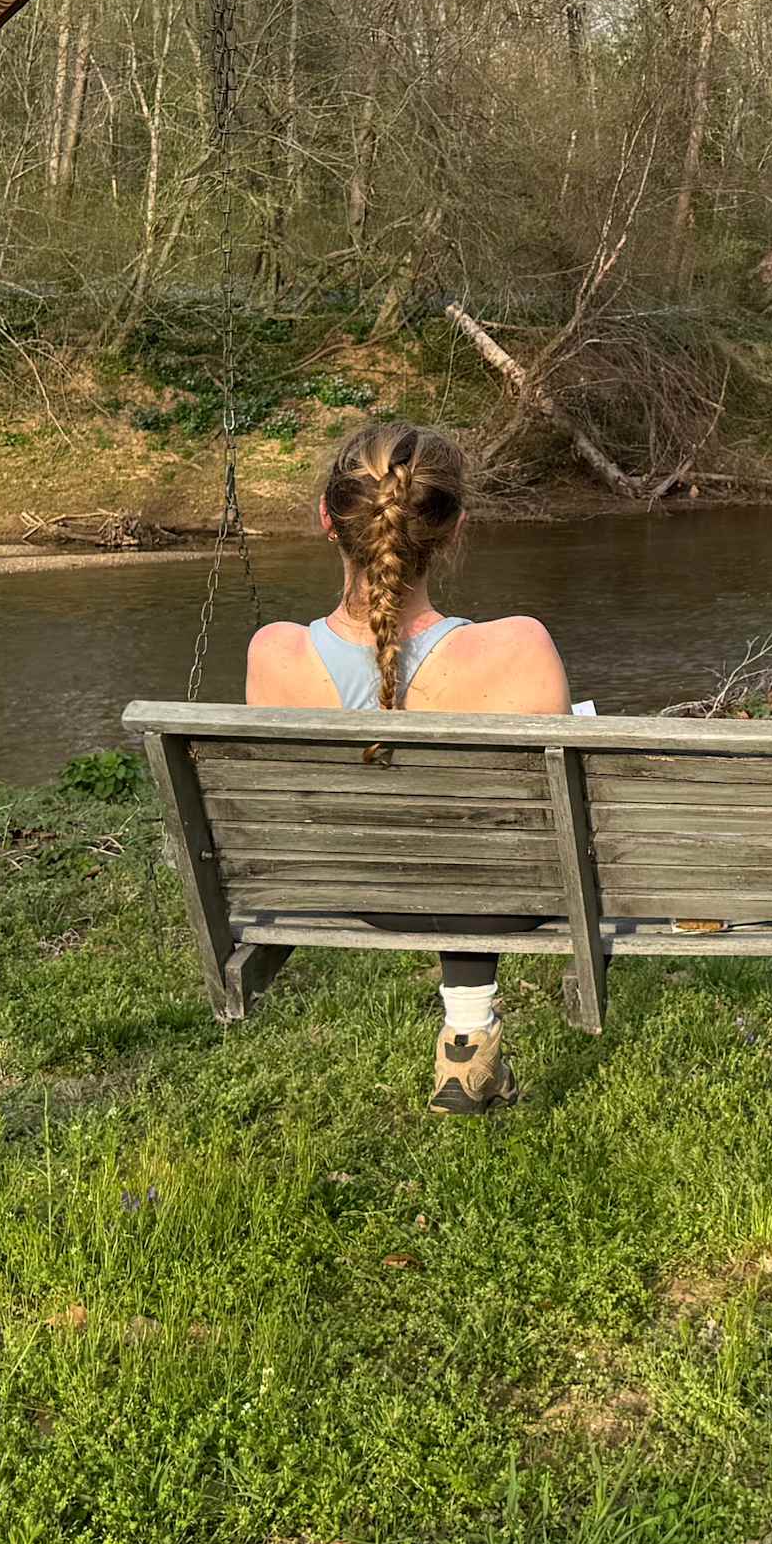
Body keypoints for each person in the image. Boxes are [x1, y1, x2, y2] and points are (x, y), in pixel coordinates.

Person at [244, 421, 567, 1112]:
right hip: (507, 894)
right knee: (476, 850)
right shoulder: (519, 646)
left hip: (355, 890)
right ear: (453, 529)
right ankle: (467, 1030)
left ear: (327, 519)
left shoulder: (274, 653)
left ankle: (469, 1030)